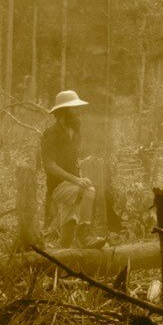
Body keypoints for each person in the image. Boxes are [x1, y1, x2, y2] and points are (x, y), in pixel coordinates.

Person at [41, 90, 105, 249]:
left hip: (72, 185)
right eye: (74, 110)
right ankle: (85, 235)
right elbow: (50, 166)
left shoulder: (76, 131)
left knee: (68, 233)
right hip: (58, 186)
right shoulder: (50, 134)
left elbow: (73, 160)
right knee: (88, 191)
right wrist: (76, 180)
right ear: (63, 112)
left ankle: (59, 265)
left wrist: (80, 177)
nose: (78, 114)